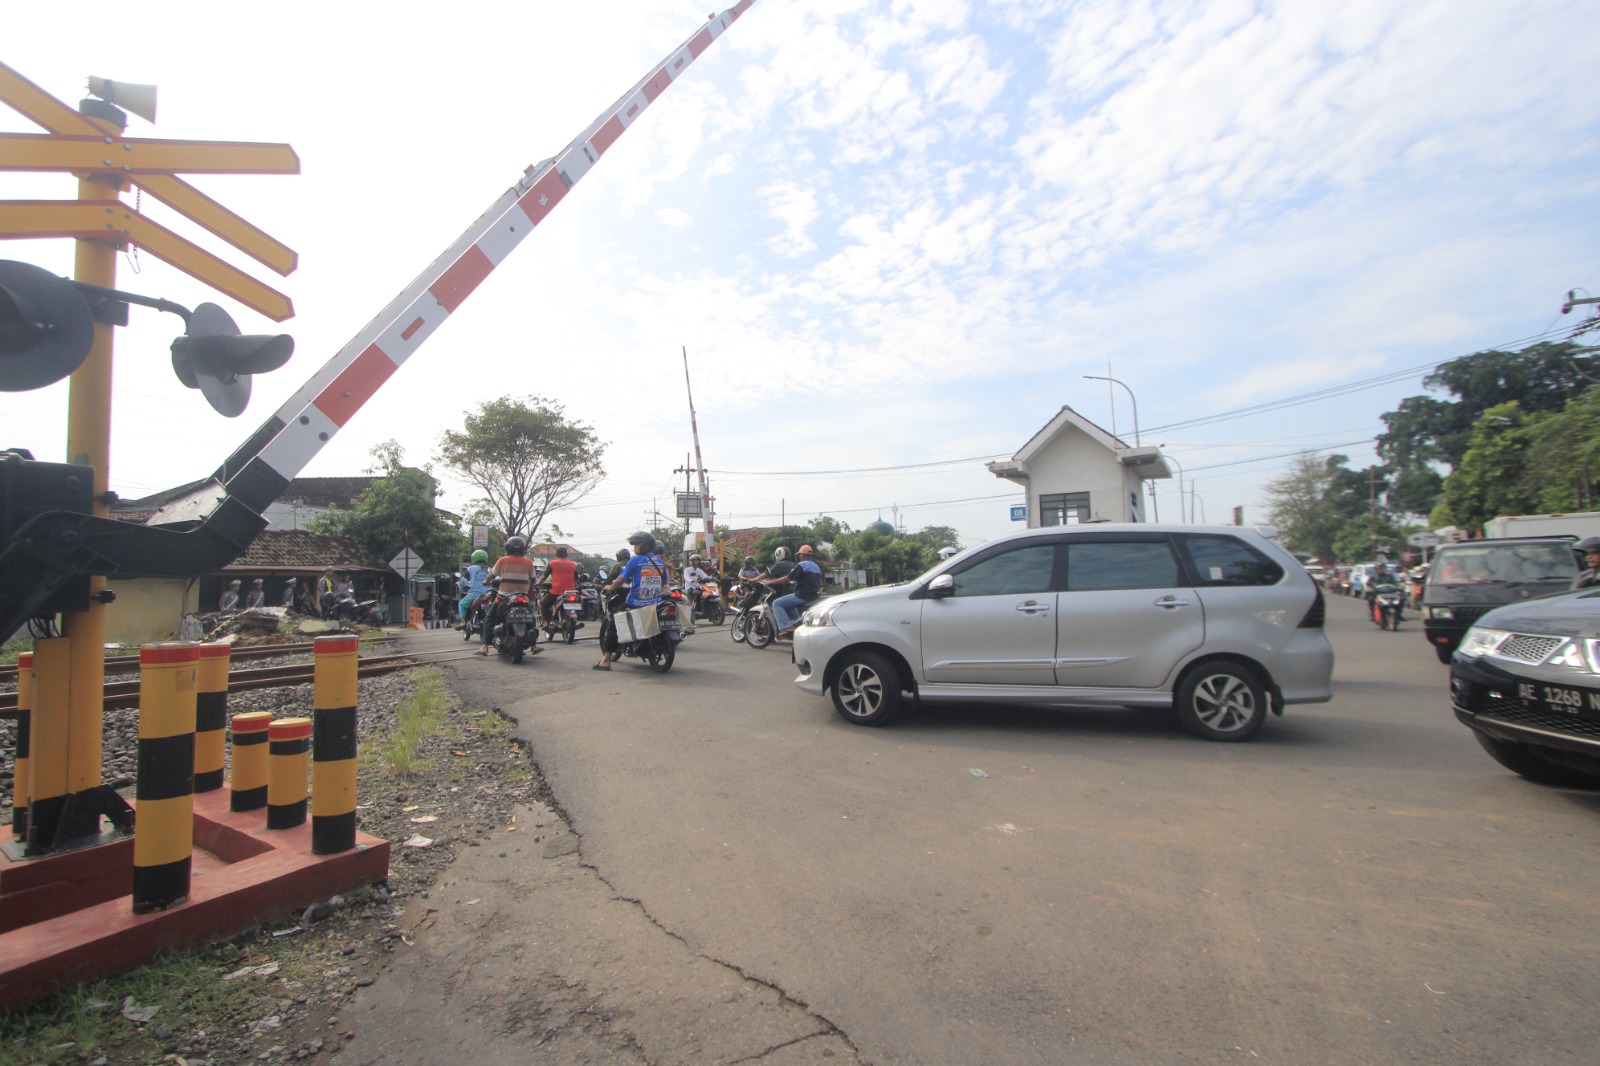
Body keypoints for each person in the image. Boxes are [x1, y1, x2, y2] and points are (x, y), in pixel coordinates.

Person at [594, 532, 671, 670]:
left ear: (644, 546)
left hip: (636, 602)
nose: (634, 548)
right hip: (655, 602)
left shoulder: (635, 560)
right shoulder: (659, 561)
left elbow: (619, 580)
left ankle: (606, 660)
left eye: (636, 545)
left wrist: (609, 588)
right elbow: (665, 581)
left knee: (613, 622)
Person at [479, 535, 539, 655]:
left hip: (503, 598)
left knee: (489, 619)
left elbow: (491, 575)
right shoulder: (528, 562)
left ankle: (485, 646)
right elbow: (533, 580)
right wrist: (532, 587)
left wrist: (486, 581)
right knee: (531, 619)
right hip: (522, 597)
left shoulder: (502, 560)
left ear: (508, 548)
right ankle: (534, 645)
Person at [767, 544, 823, 637]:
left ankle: (786, 627)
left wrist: (771, 581)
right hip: (814, 595)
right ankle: (797, 623)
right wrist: (795, 582)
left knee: (776, 603)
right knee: (788, 605)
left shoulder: (802, 565)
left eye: (799, 555)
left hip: (802, 595)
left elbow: (788, 577)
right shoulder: (816, 566)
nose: (799, 556)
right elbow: (810, 580)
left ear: (802, 555)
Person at [542, 545, 581, 624]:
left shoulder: (552, 563)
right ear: (566, 555)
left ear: (556, 555)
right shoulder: (573, 565)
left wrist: (538, 583)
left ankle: (546, 622)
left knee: (543, 603)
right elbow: (576, 579)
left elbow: (543, 577)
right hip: (571, 592)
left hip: (556, 592)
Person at [458, 550, 491, 628]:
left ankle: (463, 622)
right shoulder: (489, 569)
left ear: (474, 559)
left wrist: (460, 586)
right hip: (489, 594)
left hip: (475, 595)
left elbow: (463, 582)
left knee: (461, 604)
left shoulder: (471, 569)